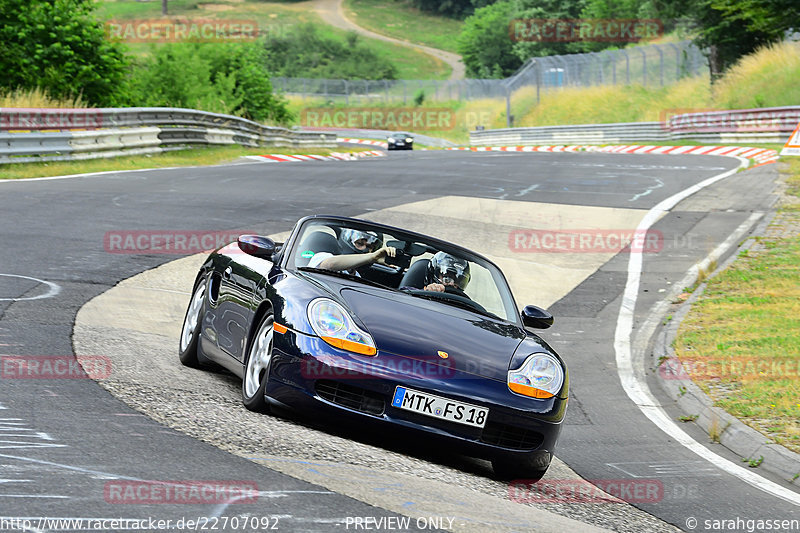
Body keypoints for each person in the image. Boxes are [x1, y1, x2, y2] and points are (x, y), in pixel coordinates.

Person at [308, 228, 396, 273]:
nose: (365, 249)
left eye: (370, 247)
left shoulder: (356, 276)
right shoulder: (322, 257)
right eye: (360, 244)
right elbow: (330, 264)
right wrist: (372, 257)